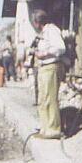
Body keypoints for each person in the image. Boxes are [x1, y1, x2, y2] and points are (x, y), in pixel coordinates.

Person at [31, 10, 66, 139]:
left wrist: (44, 53)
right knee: (43, 99)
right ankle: (45, 129)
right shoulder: (43, 33)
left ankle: (53, 130)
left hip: (51, 67)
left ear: (36, 22)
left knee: (50, 98)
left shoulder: (51, 30)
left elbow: (60, 47)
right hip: (43, 68)